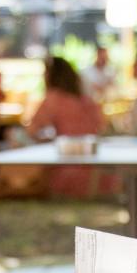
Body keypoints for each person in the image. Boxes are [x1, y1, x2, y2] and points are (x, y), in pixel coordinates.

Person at [26, 56, 110, 197]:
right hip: (97, 173)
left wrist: (48, 141)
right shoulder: (87, 100)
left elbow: (31, 130)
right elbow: (101, 127)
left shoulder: (53, 99)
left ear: (50, 76)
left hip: (66, 170)